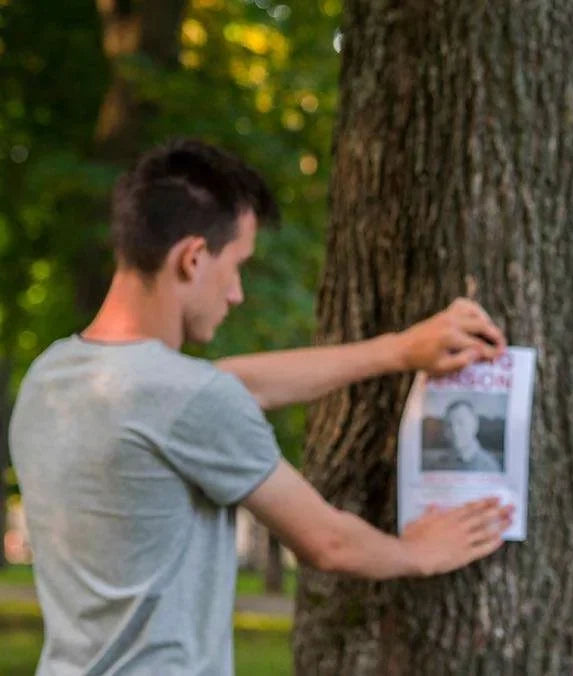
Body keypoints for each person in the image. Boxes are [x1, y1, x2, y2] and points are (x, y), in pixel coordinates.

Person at [7, 139, 513, 675]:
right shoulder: (189, 401)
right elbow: (328, 542)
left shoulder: (52, 377)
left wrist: (400, 351)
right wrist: (420, 551)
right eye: (237, 266)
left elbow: (227, 386)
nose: (237, 294)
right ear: (193, 258)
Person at [424, 400, 503, 472]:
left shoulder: (490, 466)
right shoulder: (437, 466)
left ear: (475, 425)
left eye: (460, 423)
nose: (455, 430)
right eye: (449, 425)